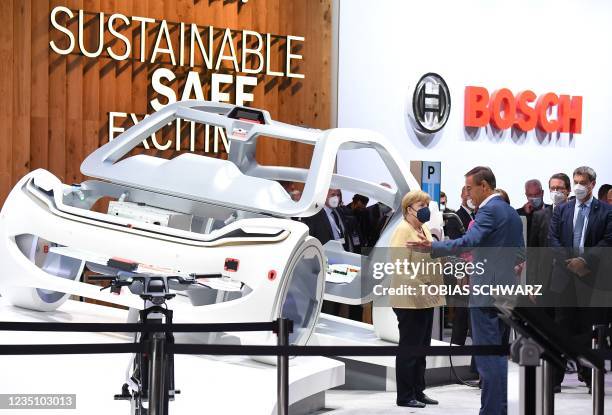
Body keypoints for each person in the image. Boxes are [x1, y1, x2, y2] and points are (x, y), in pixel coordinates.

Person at [408, 166, 524, 415]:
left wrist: (434, 247)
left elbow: (469, 242)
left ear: (484, 186)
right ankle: (496, 409)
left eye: (470, 188)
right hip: (505, 291)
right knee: (497, 355)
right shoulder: (510, 212)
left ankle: (492, 411)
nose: (468, 194)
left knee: (487, 357)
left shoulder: (489, 210)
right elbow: (519, 252)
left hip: (486, 293)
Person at [548, 166, 612, 392]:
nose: (577, 186)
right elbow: (553, 239)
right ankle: (554, 379)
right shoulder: (562, 210)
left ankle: (588, 376)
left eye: (582, 182)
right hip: (564, 277)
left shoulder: (605, 211)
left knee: (588, 331)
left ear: (592, 184)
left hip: (590, 277)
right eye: (575, 181)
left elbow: (607, 240)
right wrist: (570, 262)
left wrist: (584, 261)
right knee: (559, 328)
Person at [389, 190, 445, 408]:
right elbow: (399, 267)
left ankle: (418, 391)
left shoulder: (421, 228)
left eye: (426, 205)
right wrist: (422, 286)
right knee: (409, 349)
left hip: (426, 298)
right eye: (421, 205)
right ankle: (405, 395)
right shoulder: (402, 230)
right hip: (410, 298)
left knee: (421, 348)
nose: (425, 209)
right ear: (408, 208)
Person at [527, 173, 571, 312]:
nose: (556, 192)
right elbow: (533, 253)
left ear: (568, 190)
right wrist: (531, 284)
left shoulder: (577, 214)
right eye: (553, 188)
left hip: (570, 281)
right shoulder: (540, 215)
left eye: (560, 188)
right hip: (544, 280)